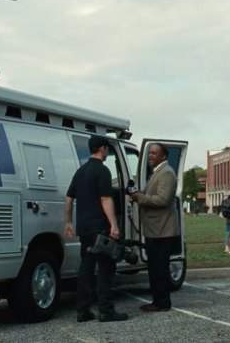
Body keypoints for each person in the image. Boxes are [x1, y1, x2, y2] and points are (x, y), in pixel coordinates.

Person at [63, 136, 128, 323]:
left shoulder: (80, 171)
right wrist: (114, 224)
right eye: (107, 148)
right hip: (100, 228)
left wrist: (68, 222)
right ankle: (106, 311)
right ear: (102, 149)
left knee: (86, 268)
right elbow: (105, 199)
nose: (107, 152)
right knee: (106, 268)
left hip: (84, 229)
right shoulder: (103, 171)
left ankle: (83, 310)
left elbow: (69, 198)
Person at [129, 143, 179, 313]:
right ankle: (157, 301)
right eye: (150, 153)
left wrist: (140, 198)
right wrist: (137, 194)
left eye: (154, 153)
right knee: (154, 267)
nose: (150, 156)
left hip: (162, 230)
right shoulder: (157, 172)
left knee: (160, 268)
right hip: (155, 229)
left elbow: (163, 200)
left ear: (163, 156)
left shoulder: (167, 173)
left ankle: (162, 303)